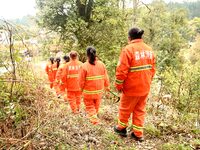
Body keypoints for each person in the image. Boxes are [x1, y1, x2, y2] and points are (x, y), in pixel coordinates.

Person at [114, 27, 156, 141]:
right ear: (140, 37)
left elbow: (121, 71)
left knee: (125, 108)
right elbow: (153, 69)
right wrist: (147, 82)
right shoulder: (149, 50)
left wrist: (118, 85)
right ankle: (138, 133)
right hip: (145, 87)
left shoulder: (128, 50)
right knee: (140, 109)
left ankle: (121, 128)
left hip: (131, 88)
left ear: (129, 38)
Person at [79, 46, 110, 125]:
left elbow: (81, 81)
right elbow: (106, 77)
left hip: (88, 93)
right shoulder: (102, 64)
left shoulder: (84, 66)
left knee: (90, 108)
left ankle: (95, 122)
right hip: (99, 92)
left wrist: (81, 90)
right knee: (96, 106)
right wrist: (107, 87)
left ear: (87, 55)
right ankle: (94, 117)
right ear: (95, 54)